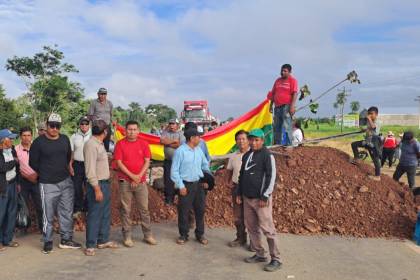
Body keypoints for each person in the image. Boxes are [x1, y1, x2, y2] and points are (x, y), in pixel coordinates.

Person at [29, 113, 82, 254]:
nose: (54, 128)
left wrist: (65, 168)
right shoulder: (38, 142)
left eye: (57, 126)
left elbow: (68, 156)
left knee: (66, 212)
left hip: (65, 182)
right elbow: (32, 162)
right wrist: (44, 172)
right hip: (47, 184)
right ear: (47, 126)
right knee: (48, 214)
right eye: (51, 125)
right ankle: (47, 241)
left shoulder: (64, 139)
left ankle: (66, 239)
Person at [237, 128, 281, 272]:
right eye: (251, 140)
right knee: (251, 227)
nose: (253, 142)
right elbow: (241, 175)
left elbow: (271, 176)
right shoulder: (247, 155)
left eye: (256, 140)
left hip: (261, 200)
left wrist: (265, 195)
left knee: (268, 229)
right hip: (247, 198)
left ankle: (276, 259)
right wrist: (239, 193)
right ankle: (259, 253)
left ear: (262, 141)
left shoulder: (267, 155)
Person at [114, 120, 157, 247]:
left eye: (134, 129)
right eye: (129, 129)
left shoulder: (143, 144)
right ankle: (127, 236)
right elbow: (119, 163)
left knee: (144, 209)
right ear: (125, 131)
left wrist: (138, 177)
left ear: (138, 131)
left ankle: (148, 235)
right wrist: (132, 177)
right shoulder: (120, 144)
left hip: (141, 182)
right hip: (125, 181)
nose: (132, 132)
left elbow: (147, 161)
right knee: (126, 209)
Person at [171, 128, 211, 245]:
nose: (200, 139)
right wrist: (180, 186)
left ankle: (200, 234)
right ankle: (183, 235)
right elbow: (174, 171)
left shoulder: (199, 150)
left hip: (199, 185)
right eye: (198, 137)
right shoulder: (180, 151)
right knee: (184, 211)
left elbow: (205, 166)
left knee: (200, 210)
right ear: (192, 138)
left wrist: (206, 179)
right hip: (185, 185)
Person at [83, 120, 118, 256]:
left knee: (104, 213)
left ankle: (102, 240)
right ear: (105, 132)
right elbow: (90, 171)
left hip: (104, 183)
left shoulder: (99, 143)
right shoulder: (91, 145)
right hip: (96, 185)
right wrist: (97, 189)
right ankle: (90, 244)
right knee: (94, 214)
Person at [15, 127, 43, 232]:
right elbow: (16, 167)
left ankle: (42, 228)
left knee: (40, 205)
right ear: (20, 136)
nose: (26, 138)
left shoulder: (37, 148)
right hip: (23, 181)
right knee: (23, 206)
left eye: (28, 135)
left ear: (31, 136)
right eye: (24, 135)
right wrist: (27, 176)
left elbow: (43, 163)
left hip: (37, 180)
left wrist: (37, 175)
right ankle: (24, 228)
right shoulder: (16, 150)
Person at [226, 130, 250, 248]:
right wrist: (229, 181)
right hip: (236, 188)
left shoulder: (253, 154)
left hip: (250, 189)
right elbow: (229, 170)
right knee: (238, 216)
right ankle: (241, 238)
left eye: (243, 139)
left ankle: (254, 242)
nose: (241, 141)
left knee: (251, 216)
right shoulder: (233, 156)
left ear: (248, 140)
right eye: (238, 139)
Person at [267, 64, 299, 146]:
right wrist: (271, 106)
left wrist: (292, 107)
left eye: (285, 71)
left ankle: (289, 144)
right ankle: (277, 144)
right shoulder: (277, 81)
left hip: (286, 106)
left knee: (287, 125)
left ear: (290, 72)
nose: (282, 72)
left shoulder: (293, 81)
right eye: (282, 70)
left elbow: (295, 94)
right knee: (276, 126)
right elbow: (273, 93)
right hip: (277, 107)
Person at [0, 129, 19, 251]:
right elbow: (2, 167)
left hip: (13, 184)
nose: (12, 140)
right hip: (3, 186)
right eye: (10, 138)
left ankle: (7, 239)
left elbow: (18, 167)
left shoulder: (12, 150)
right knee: (1, 214)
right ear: (2, 140)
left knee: (11, 213)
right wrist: (14, 161)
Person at [351, 106, 382, 181]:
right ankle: (357, 159)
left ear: (376, 114)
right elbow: (368, 128)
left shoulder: (378, 122)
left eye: (372, 114)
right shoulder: (369, 121)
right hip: (367, 141)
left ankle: (377, 176)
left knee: (375, 159)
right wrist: (363, 129)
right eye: (369, 114)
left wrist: (368, 119)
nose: (370, 115)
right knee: (354, 144)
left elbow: (373, 127)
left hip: (373, 143)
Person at [70, 116, 91, 217]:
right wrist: (70, 165)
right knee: (76, 187)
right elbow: (71, 152)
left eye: (86, 124)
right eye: (82, 124)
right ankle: (78, 208)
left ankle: (87, 208)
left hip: (89, 164)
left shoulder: (93, 136)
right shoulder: (74, 136)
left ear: (89, 125)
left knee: (89, 187)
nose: (84, 126)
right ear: (79, 125)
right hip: (77, 165)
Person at [160, 119, 185, 205]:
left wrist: (167, 143)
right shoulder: (165, 132)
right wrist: (173, 141)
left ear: (177, 125)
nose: (171, 125)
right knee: (168, 180)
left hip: (179, 162)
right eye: (170, 124)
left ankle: (180, 199)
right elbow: (161, 141)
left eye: (173, 124)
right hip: (168, 161)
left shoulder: (181, 134)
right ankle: (169, 199)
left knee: (180, 180)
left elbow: (179, 145)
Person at [87, 88, 113, 152]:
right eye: (101, 94)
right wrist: (95, 121)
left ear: (106, 95)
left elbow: (111, 115)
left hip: (107, 127)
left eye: (104, 94)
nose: (102, 95)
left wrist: (112, 123)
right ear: (98, 94)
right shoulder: (93, 103)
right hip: (97, 128)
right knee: (96, 144)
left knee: (106, 144)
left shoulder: (110, 103)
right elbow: (89, 115)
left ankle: (105, 159)